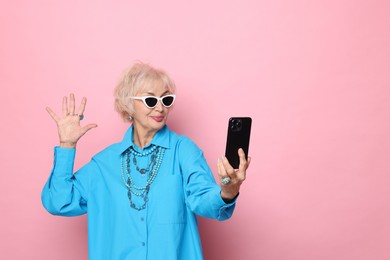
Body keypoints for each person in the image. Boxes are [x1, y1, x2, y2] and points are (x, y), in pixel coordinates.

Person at [41, 62, 251, 260]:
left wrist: (227, 191)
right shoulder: (104, 164)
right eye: (151, 100)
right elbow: (59, 202)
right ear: (128, 104)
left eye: (166, 100)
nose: (160, 108)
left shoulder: (184, 151)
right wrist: (67, 146)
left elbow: (205, 200)